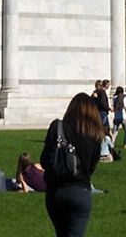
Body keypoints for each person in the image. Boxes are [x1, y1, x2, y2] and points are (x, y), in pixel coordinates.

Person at [41, 90, 107, 237]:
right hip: (80, 191)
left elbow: (44, 160)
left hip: (56, 192)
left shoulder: (58, 127)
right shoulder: (95, 135)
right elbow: (91, 167)